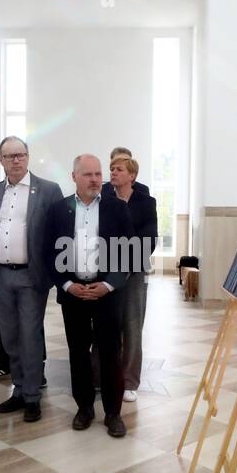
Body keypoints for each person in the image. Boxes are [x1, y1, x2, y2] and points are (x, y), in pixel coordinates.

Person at [47, 154, 134, 437]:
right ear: (74, 177)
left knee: (110, 353)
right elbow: (48, 251)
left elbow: (129, 253)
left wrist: (109, 285)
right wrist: (66, 285)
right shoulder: (59, 209)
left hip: (106, 293)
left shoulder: (117, 208)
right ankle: (84, 408)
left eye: (98, 174)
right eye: (88, 174)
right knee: (78, 352)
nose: (96, 179)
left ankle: (113, 413)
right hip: (74, 293)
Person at [0, 135, 61, 421]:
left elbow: (57, 235)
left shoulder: (48, 190)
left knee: (30, 336)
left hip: (31, 276)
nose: (15, 160)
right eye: (9, 156)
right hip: (2, 275)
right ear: (1, 161)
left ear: (28, 157)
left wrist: (54, 273)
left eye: (20, 155)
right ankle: (18, 389)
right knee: (9, 337)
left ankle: (32, 396)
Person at [108, 154, 157, 402]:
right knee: (104, 328)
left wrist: (127, 262)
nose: (113, 172)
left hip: (133, 272)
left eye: (119, 169)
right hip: (105, 270)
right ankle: (102, 376)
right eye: (111, 168)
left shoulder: (145, 202)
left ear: (132, 175)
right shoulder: (103, 199)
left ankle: (129, 381)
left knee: (132, 326)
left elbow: (149, 239)